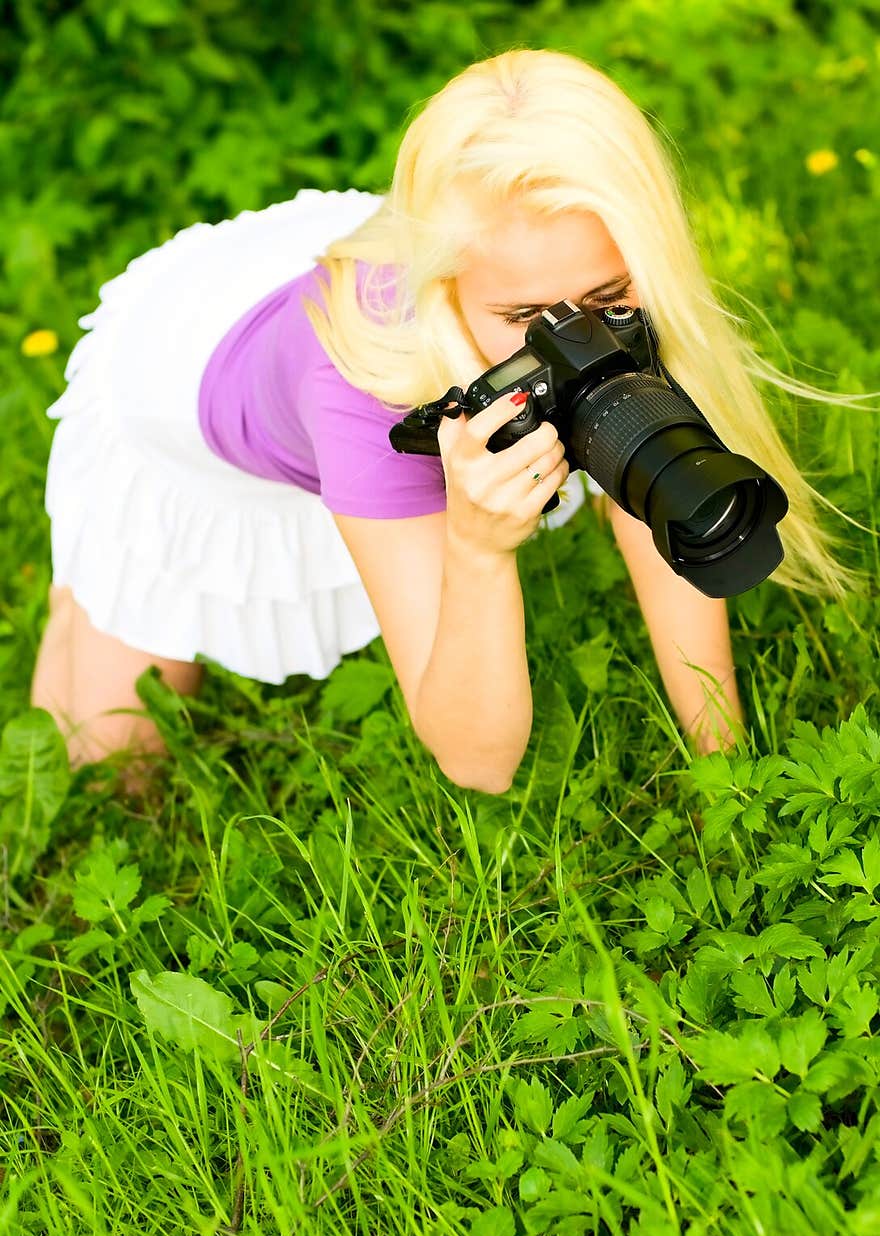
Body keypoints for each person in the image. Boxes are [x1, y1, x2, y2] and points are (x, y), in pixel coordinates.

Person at [30, 47, 865, 796]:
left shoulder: (574, 254)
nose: (580, 340)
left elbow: (654, 502)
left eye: (609, 301)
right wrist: (473, 548)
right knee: (107, 770)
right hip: (181, 397)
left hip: (406, 290)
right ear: (446, 295)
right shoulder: (364, 389)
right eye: (529, 317)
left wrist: (726, 765)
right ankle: (82, 593)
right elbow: (477, 761)